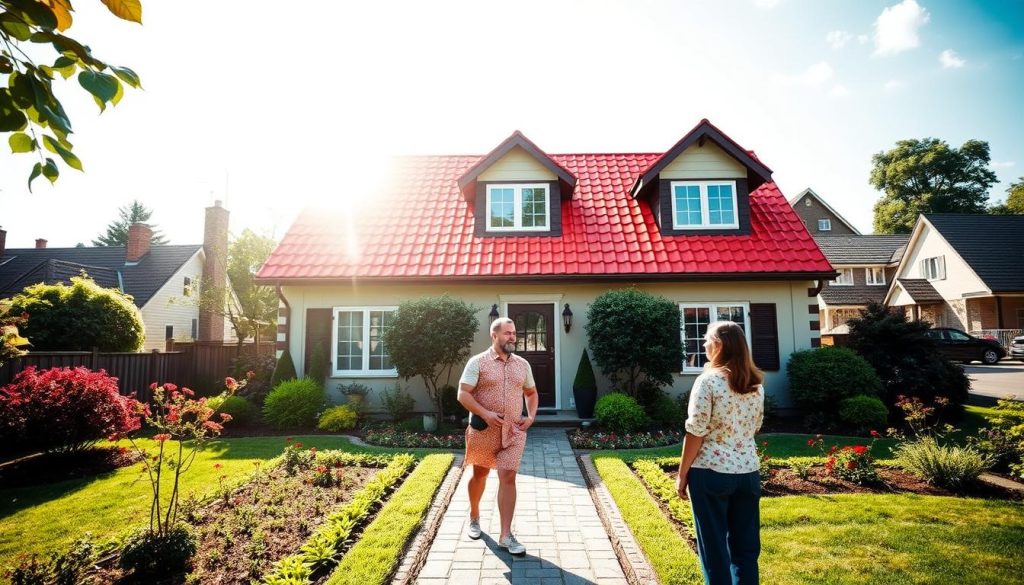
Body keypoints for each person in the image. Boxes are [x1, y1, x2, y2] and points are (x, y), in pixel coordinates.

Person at [676, 320, 765, 585]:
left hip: (711, 474)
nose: (703, 343)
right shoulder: (756, 384)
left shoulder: (708, 381)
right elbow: (756, 427)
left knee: (714, 550)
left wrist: (682, 475)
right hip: (748, 473)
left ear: (719, 344)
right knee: (746, 551)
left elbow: (696, 432)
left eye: (706, 339)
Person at [457, 317, 538, 555]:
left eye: (514, 333)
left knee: (508, 477)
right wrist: (486, 413)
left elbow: (531, 392)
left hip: (513, 432)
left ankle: (506, 535)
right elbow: (463, 394)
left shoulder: (522, 364)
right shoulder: (477, 362)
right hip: (484, 430)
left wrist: (530, 416)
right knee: (479, 474)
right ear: (494, 335)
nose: (513, 337)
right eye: (507, 333)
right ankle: (474, 516)